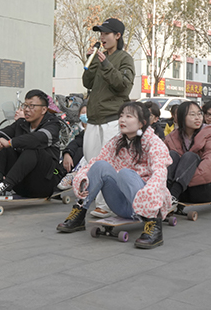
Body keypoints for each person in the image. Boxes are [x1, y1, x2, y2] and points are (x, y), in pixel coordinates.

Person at [56, 102, 172, 249]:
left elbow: (160, 174)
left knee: (125, 173)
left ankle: (153, 225)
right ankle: (80, 212)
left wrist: (150, 201)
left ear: (142, 123)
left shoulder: (154, 143)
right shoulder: (117, 141)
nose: (122, 120)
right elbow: (96, 161)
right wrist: (81, 180)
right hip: (122, 205)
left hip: (148, 203)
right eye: (121, 116)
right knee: (100, 166)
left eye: (128, 116)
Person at [82, 18, 135, 218]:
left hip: (112, 118)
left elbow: (123, 86)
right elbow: (87, 81)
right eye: (100, 34)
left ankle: (105, 206)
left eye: (106, 33)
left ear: (117, 36)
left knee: (110, 163)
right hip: (94, 118)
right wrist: (93, 61)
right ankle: (95, 200)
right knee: (91, 161)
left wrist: (105, 64)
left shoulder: (125, 59)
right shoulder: (99, 56)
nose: (102, 37)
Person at [0, 89, 64, 199]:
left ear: (43, 109)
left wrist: (10, 142)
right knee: (0, 142)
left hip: (43, 184)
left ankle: (5, 185)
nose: (26, 110)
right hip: (20, 183)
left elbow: (36, 139)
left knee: (32, 148)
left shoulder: (53, 125)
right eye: (25, 105)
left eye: (31, 106)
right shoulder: (21, 123)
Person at [164, 101, 211, 204]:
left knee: (190, 156)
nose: (198, 118)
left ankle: (172, 196)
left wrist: (184, 180)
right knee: (172, 155)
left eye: (199, 114)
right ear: (181, 118)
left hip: (203, 187)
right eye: (192, 115)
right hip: (181, 190)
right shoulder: (172, 137)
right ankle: (169, 195)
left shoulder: (210, 134)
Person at [57, 104, 88, 190]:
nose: (85, 115)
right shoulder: (78, 129)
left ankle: (73, 175)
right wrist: (68, 153)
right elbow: (75, 142)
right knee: (78, 149)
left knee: (84, 150)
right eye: (83, 112)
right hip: (74, 155)